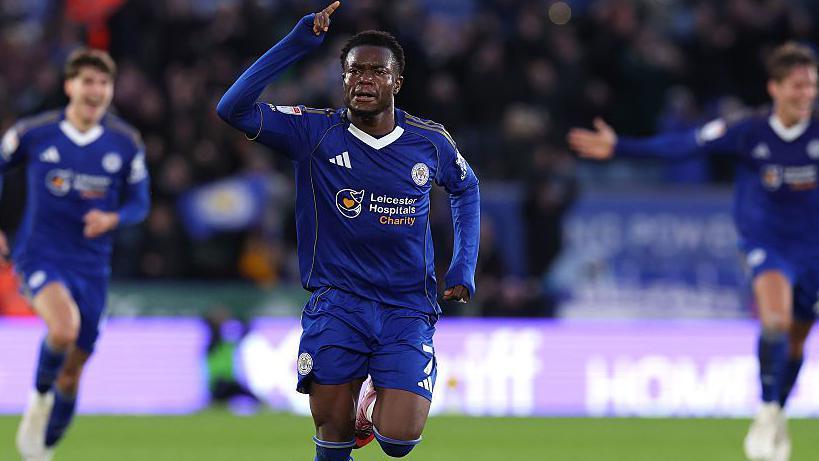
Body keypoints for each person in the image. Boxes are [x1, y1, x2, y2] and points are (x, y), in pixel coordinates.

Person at [217, 2, 480, 460]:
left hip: (406, 307)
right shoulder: (314, 132)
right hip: (337, 303)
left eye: (377, 72)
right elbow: (232, 108)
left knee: (398, 441)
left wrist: (463, 263)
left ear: (396, 82)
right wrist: (297, 44)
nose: (364, 80)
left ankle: (372, 404)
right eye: (354, 71)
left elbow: (467, 188)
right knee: (333, 437)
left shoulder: (430, 141)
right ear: (342, 80)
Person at [568, 42, 818, 461]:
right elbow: (683, 145)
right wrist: (621, 147)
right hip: (768, 245)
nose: (806, 93)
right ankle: (767, 411)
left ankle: (777, 409)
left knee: (795, 344)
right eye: (797, 85)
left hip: (814, 253)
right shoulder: (748, 130)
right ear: (774, 88)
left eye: (812, 84)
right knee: (774, 323)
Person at [6, 48, 151, 461]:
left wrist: (113, 218)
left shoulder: (124, 143)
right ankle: (37, 400)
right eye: (88, 81)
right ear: (70, 86)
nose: (96, 90)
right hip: (40, 254)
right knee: (63, 329)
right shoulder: (35, 132)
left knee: (72, 372)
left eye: (103, 83)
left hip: (91, 267)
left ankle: (44, 448)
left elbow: (140, 203)